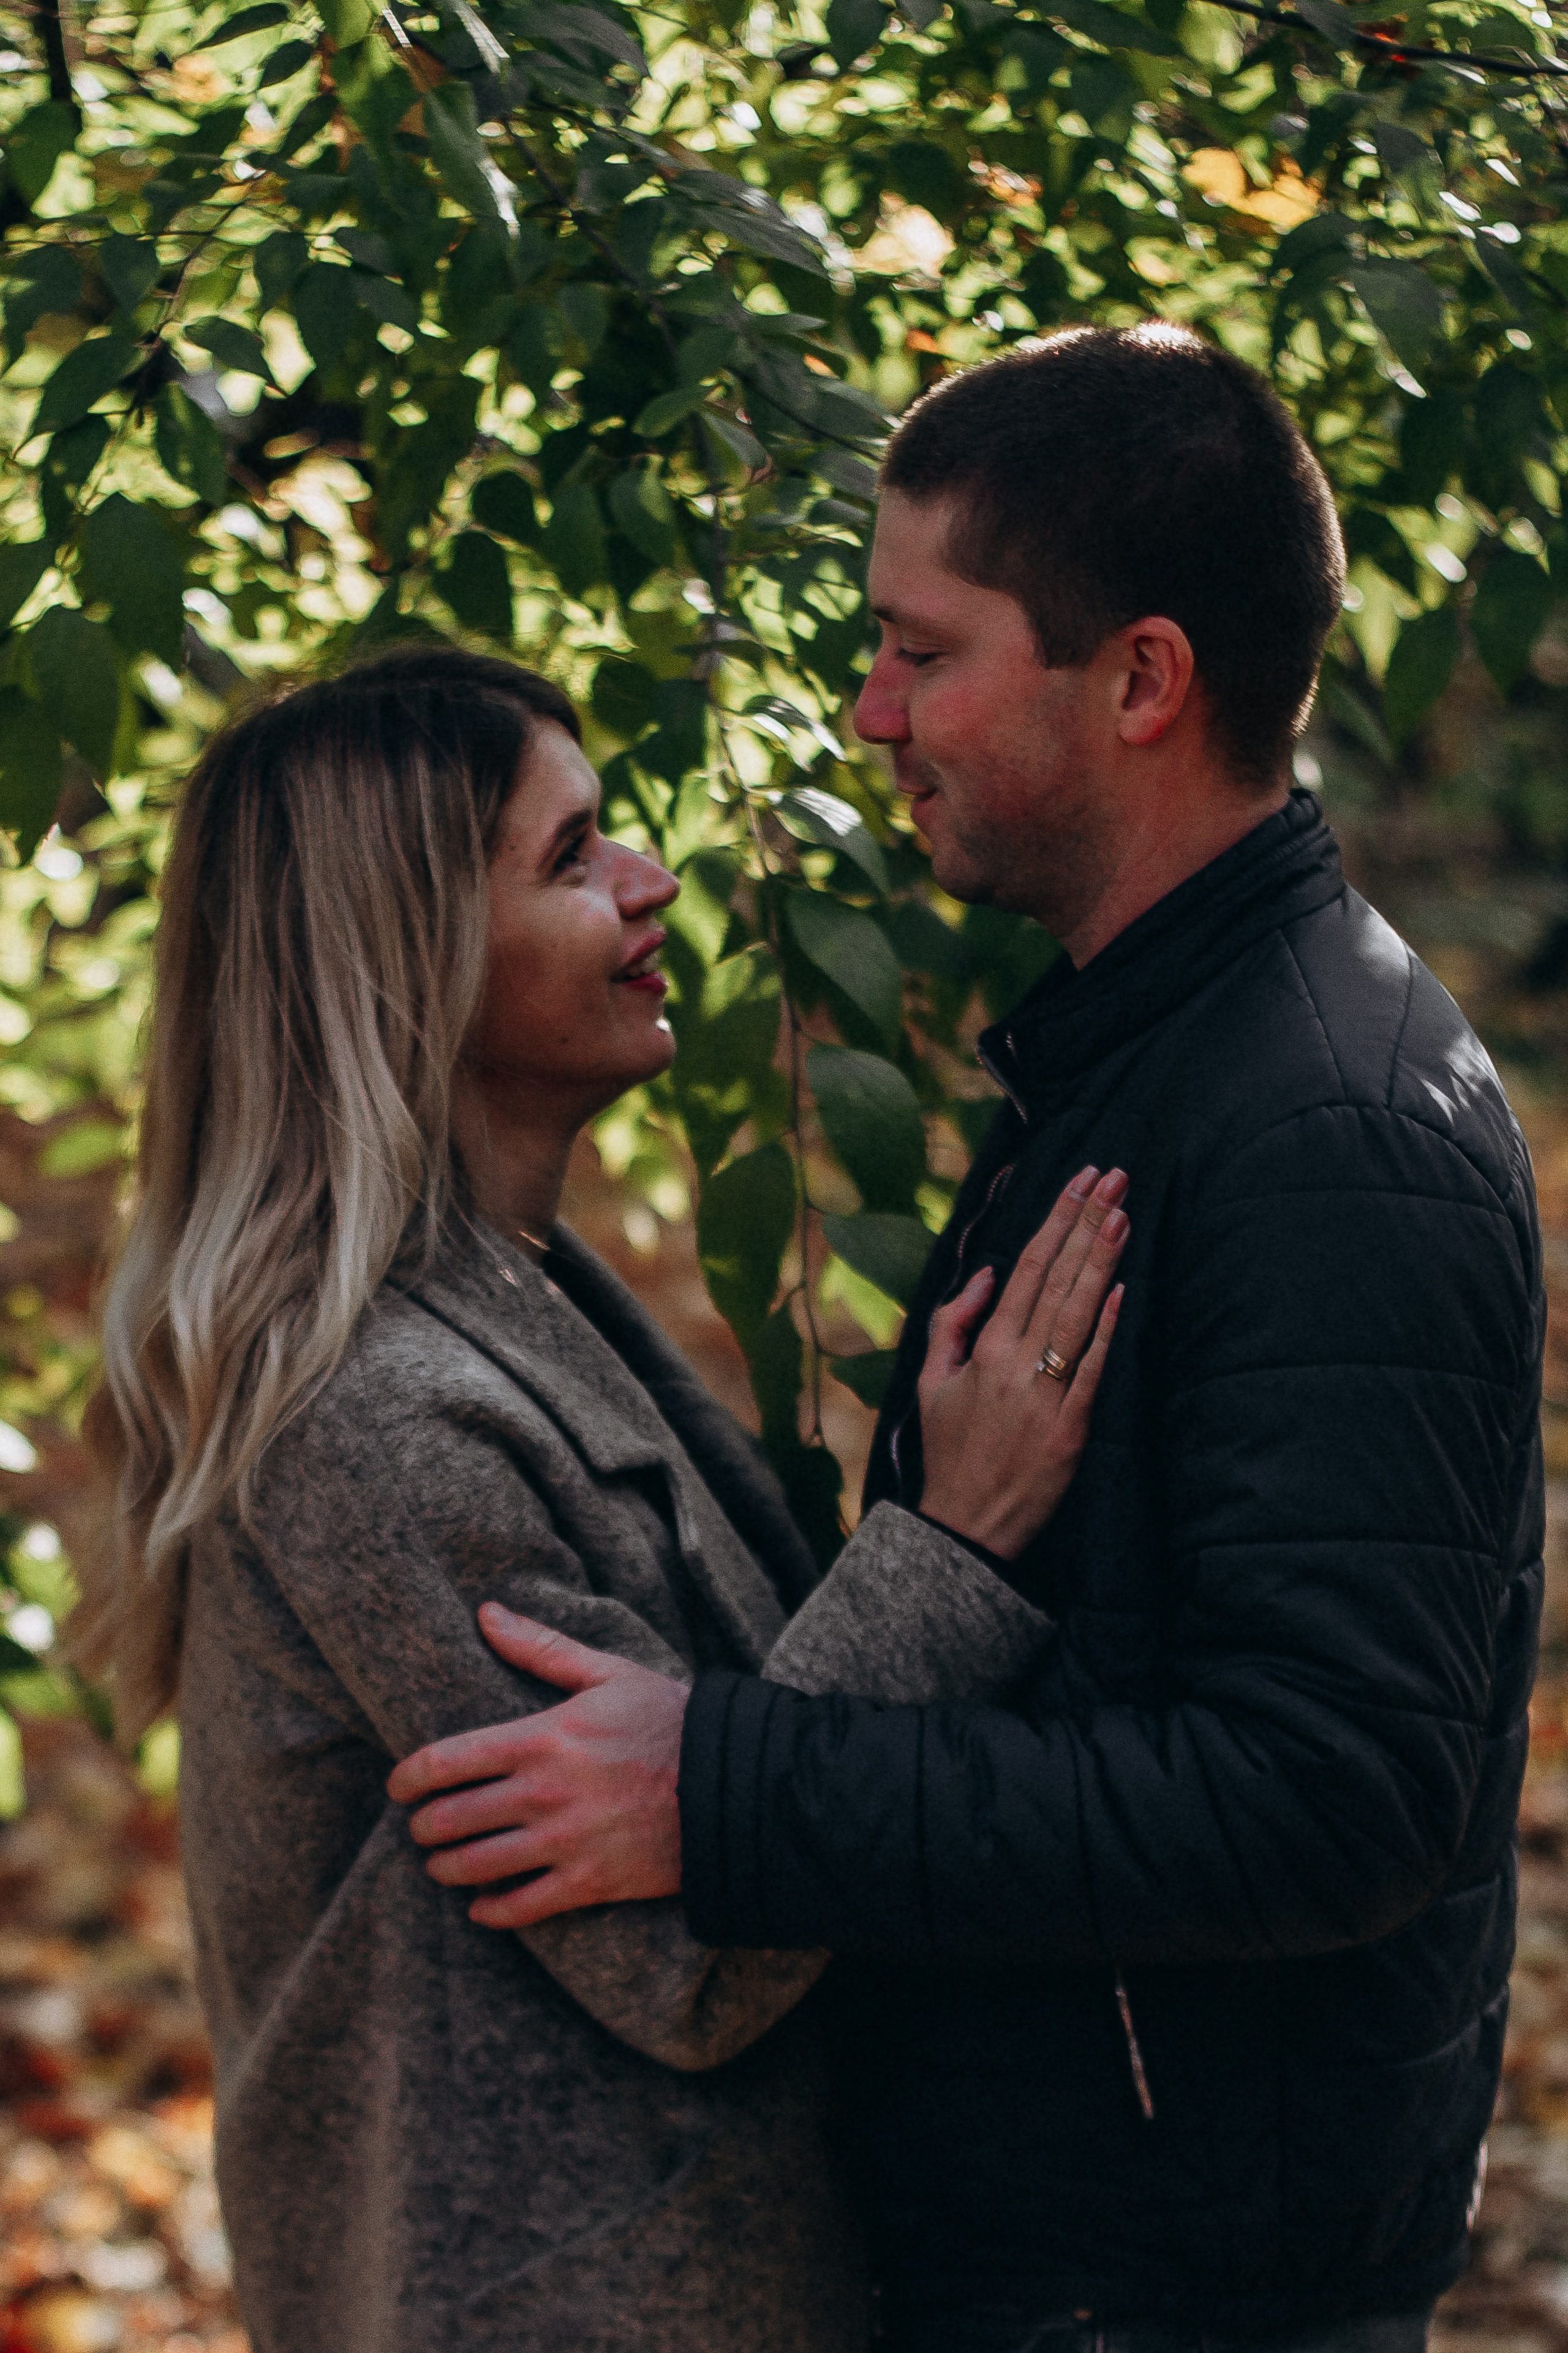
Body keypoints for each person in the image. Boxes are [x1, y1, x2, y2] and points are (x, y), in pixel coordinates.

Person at [393, 325, 1546, 2353]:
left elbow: (1336, 1795)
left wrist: (735, 1793)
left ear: (1142, 680)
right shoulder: (1149, 1050)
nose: (868, 711)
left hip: (1167, 2297)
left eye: (924, 653)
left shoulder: (1323, 1130)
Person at [68, 644, 1129, 2353]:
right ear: (409, 963)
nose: (648, 885)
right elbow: (683, 1954)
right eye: (570, 861)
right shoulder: (377, 1424)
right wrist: (954, 1545)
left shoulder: (515, 1303)